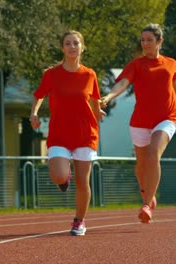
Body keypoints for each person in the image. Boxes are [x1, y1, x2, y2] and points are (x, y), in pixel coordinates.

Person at [100, 23, 176, 224]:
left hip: (166, 118)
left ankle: (146, 204)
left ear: (159, 41)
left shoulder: (171, 63)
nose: (145, 43)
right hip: (140, 121)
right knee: (142, 165)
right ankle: (147, 192)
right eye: (143, 40)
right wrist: (109, 96)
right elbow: (123, 83)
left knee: (154, 155)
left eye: (149, 40)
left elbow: (175, 81)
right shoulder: (136, 65)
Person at [30, 30, 105, 236]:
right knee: (58, 174)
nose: (72, 47)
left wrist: (98, 112)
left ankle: (79, 221)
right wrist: (34, 114)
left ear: (82, 47)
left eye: (76, 43)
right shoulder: (51, 74)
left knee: (83, 182)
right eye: (68, 43)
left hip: (85, 134)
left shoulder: (90, 74)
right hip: (59, 134)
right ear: (63, 48)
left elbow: (95, 99)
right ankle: (64, 179)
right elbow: (38, 96)